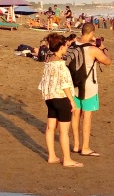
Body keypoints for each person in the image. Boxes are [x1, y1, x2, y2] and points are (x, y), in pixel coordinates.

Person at [39, 34, 81, 168]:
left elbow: (44, 82)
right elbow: (65, 84)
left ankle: (52, 156)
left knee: (50, 128)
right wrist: (72, 101)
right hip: (61, 98)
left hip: (49, 98)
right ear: (61, 47)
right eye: (66, 46)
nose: (67, 49)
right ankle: (67, 159)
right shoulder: (60, 65)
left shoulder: (48, 61)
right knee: (63, 131)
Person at [69, 23, 110, 158]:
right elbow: (107, 61)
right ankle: (85, 147)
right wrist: (103, 48)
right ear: (92, 33)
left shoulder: (73, 45)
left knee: (75, 115)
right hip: (88, 86)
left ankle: (76, 145)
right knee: (87, 117)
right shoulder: (93, 49)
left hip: (74, 85)